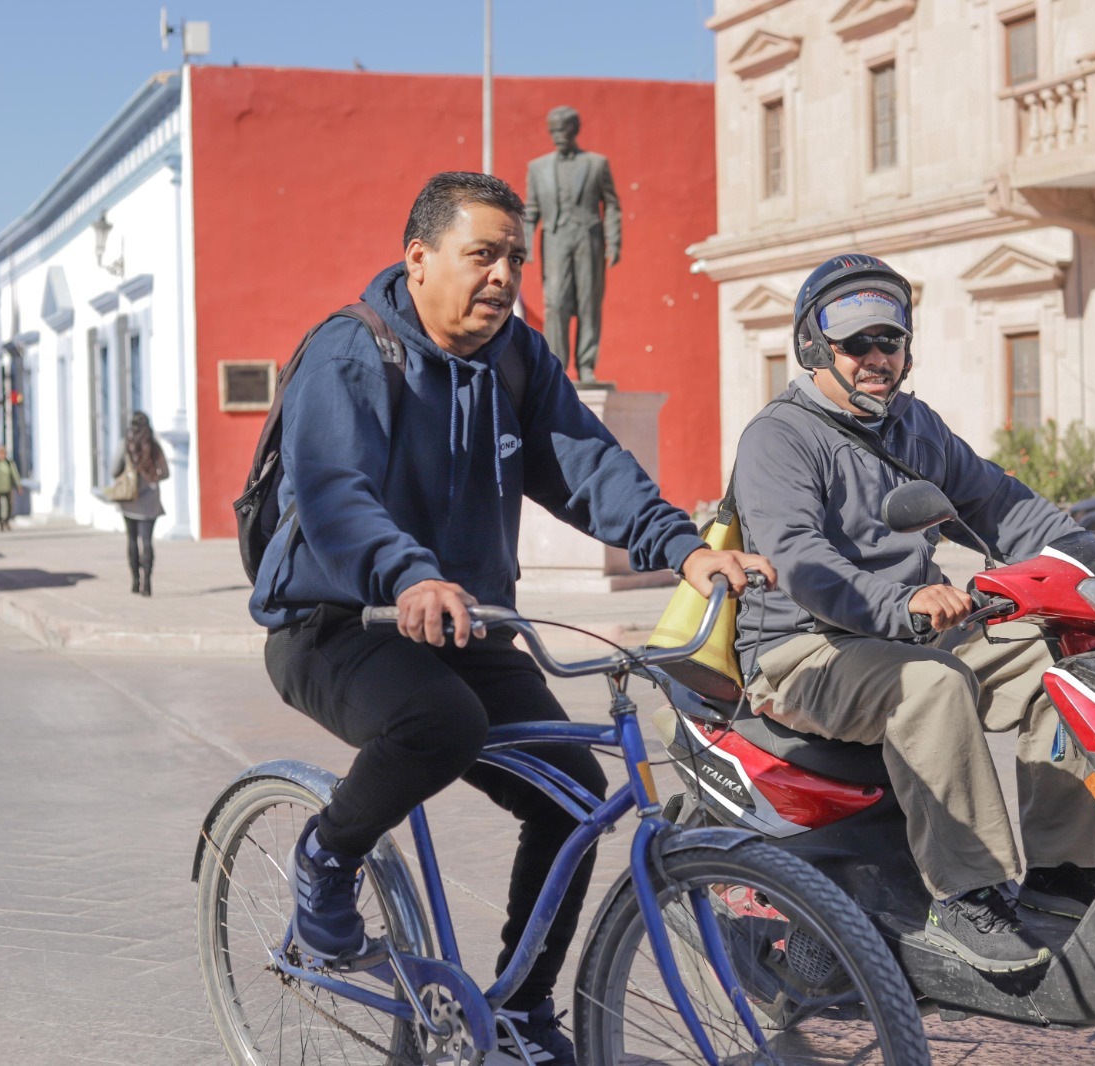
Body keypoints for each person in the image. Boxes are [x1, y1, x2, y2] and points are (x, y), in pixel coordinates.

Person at [250, 171, 771, 1064]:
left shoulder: (516, 359)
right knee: (436, 722)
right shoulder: (350, 354)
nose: (503, 276)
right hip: (337, 620)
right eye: (482, 254)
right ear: (419, 259)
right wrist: (409, 576)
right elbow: (337, 498)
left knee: (570, 799)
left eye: (515, 259)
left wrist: (684, 549)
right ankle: (328, 856)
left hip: (468, 622)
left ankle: (524, 1013)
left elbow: (587, 468)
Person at [731, 253, 1095, 975]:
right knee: (929, 688)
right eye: (856, 344)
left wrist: (1086, 550)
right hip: (803, 649)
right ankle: (967, 896)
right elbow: (801, 559)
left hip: (912, 629)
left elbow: (998, 502)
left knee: (1065, 658)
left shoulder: (913, 425)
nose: (877, 358)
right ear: (814, 348)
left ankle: (1065, 870)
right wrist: (899, 603)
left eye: (889, 340)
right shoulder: (777, 438)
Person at [523, 105, 621, 385]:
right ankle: (558, 366)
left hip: (588, 238)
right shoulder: (538, 167)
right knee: (555, 303)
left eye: (562, 129)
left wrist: (614, 240)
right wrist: (526, 243)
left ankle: (587, 365)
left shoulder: (596, 164)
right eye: (552, 130)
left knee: (589, 302)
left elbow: (612, 204)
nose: (557, 136)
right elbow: (531, 210)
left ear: (574, 129)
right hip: (554, 238)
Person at [115, 411, 169, 596]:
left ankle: (135, 581)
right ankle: (147, 583)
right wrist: (151, 477)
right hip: (150, 501)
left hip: (130, 500)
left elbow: (115, 469)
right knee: (147, 541)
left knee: (131, 539)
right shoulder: (154, 447)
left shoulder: (125, 446)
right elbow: (166, 473)